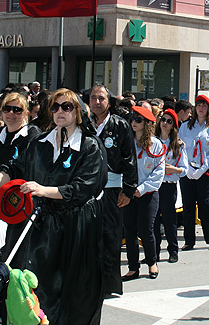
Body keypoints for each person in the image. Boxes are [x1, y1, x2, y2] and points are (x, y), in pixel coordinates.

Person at [0, 88, 107, 324]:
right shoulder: (39, 142)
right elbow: (13, 170)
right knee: (38, 285)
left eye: (67, 107)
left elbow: (84, 187)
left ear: (78, 112)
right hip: (42, 225)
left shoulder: (90, 146)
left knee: (75, 290)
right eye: (55, 107)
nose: (60, 111)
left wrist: (43, 190)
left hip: (76, 226)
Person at [86, 84, 138, 296]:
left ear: (109, 102)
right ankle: (89, 283)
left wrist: (128, 190)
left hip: (112, 188)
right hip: (87, 189)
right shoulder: (83, 125)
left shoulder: (120, 125)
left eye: (101, 98)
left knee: (111, 236)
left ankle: (110, 285)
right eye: (93, 98)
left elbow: (130, 159)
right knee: (88, 237)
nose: (97, 102)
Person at [123, 106, 166, 280]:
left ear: (147, 123)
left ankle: (151, 262)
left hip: (147, 194)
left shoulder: (156, 145)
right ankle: (133, 267)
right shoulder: (127, 141)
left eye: (138, 120)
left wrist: (141, 189)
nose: (134, 122)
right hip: (128, 193)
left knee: (146, 229)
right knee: (130, 231)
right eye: (133, 119)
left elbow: (158, 172)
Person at [178, 95, 209, 251]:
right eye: (198, 105)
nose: (201, 108)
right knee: (188, 206)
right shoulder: (185, 126)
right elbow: (180, 147)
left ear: (208, 109)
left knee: (204, 205)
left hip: (205, 172)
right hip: (188, 170)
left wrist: (201, 170)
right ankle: (189, 240)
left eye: (204, 105)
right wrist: (188, 169)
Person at [154, 109, 187, 263]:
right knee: (153, 221)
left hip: (169, 185)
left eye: (169, 121)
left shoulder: (178, 144)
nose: (164, 123)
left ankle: (173, 250)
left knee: (169, 220)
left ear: (173, 125)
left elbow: (184, 169)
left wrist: (172, 169)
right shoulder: (153, 141)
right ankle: (154, 252)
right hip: (154, 185)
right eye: (163, 120)